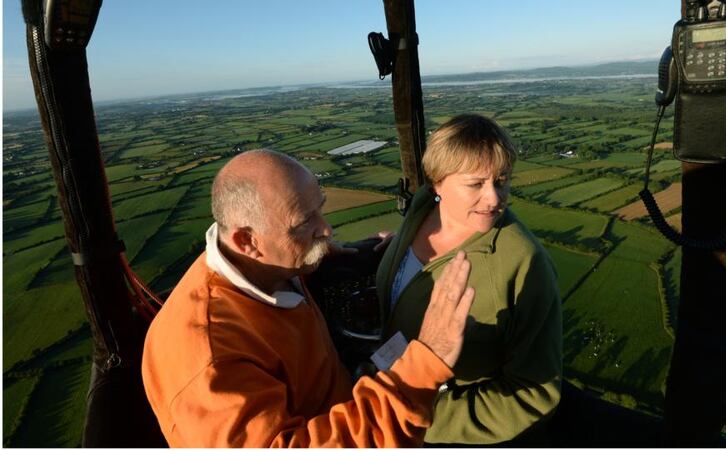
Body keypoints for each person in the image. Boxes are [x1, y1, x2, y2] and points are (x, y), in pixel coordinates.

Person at [141, 149, 477, 447]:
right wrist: (425, 363)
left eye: (320, 209)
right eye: (304, 222)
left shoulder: (265, 263)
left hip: (347, 404)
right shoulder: (209, 357)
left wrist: (326, 254)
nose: (327, 229)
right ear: (247, 241)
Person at [375, 114, 563, 445]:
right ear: (437, 183)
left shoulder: (524, 264)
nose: (494, 198)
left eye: (502, 181)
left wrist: (416, 416)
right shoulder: (421, 208)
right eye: (476, 184)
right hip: (382, 390)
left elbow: (533, 395)